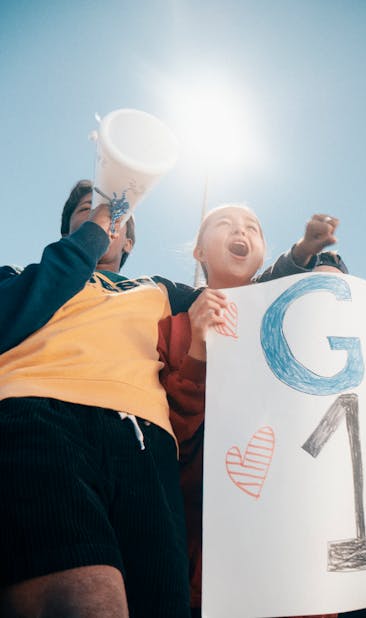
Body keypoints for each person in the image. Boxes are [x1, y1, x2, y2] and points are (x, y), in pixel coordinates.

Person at [0, 180, 198, 618]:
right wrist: (91, 235)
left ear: (128, 240)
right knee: (82, 600)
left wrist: (305, 261)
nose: (103, 215)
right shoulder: (19, 277)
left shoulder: (161, 290)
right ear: (70, 229)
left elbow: (245, 300)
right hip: (34, 416)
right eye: (87, 210)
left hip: (146, 443)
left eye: (114, 213)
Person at [158, 206, 344, 618]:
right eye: (224, 224)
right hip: (210, 572)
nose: (240, 230)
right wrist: (196, 356)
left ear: (262, 253)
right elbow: (166, 444)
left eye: (252, 228)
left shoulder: (302, 328)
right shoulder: (171, 328)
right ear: (198, 252)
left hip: (299, 574)